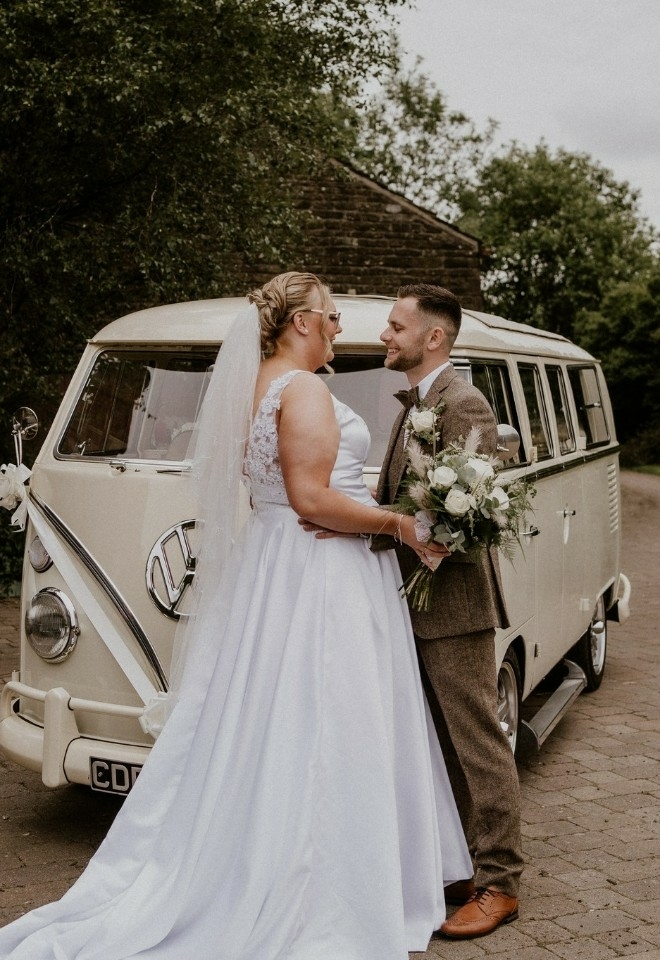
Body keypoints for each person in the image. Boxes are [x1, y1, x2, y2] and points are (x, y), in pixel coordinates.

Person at [0, 272, 471, 960]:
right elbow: (311, 497)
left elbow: (283, 491)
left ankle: (266, 849)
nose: (342, 327)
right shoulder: (304, 387)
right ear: (303, 323)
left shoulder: (259, 386)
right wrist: (399, 523)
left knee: (275, 713)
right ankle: (322, 883)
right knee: (329, 718)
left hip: (277, 563)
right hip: (320, 570)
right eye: (333, 316)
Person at [376, 283, 524, 939]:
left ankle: (500, 884)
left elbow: (471, 512)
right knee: (440, 749)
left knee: (478, 746)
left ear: (433, 336)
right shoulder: (418, 403)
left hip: (455, 603)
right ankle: (464, 867)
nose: (386, 335)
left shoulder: (462, 404)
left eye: (396, 325)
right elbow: (407, 497)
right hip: (415, 602)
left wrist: (388, 526)